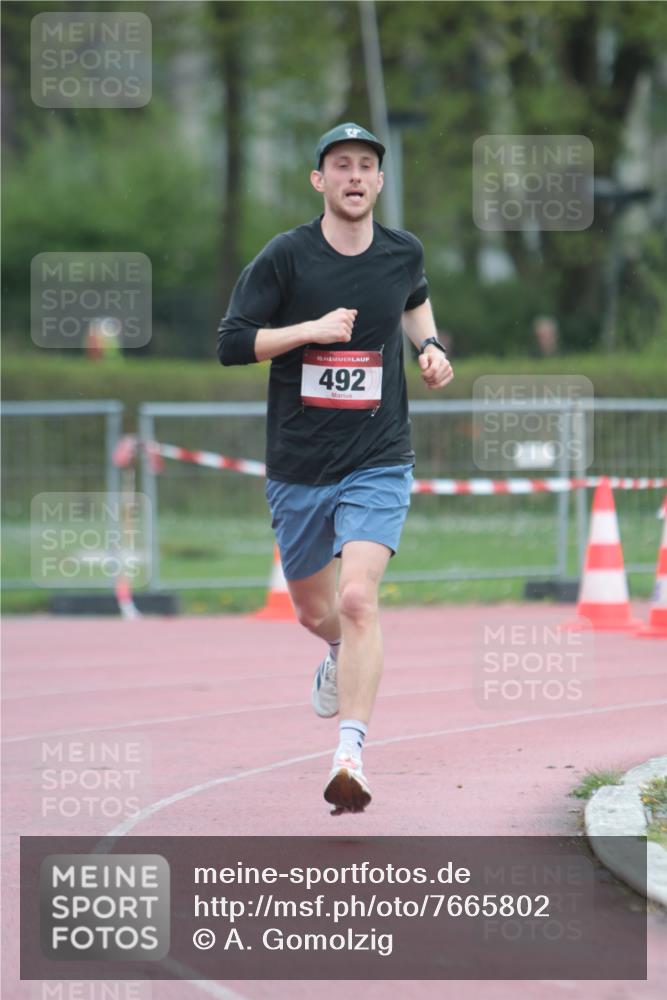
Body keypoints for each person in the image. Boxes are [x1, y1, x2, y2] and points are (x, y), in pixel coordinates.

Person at [217, 122, 453, 815]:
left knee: (357, 601)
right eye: (340, 165)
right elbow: (232, 343)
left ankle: (349, 752)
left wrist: (431, 347)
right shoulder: (285, 258)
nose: (354, 176)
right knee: (315, 611)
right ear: (318, 181)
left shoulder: (401, 251)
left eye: (366, 166)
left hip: (378, 458)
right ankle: (341, 657)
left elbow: (412, 299)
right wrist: (308, 331)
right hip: (298, 464)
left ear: (379, 182)